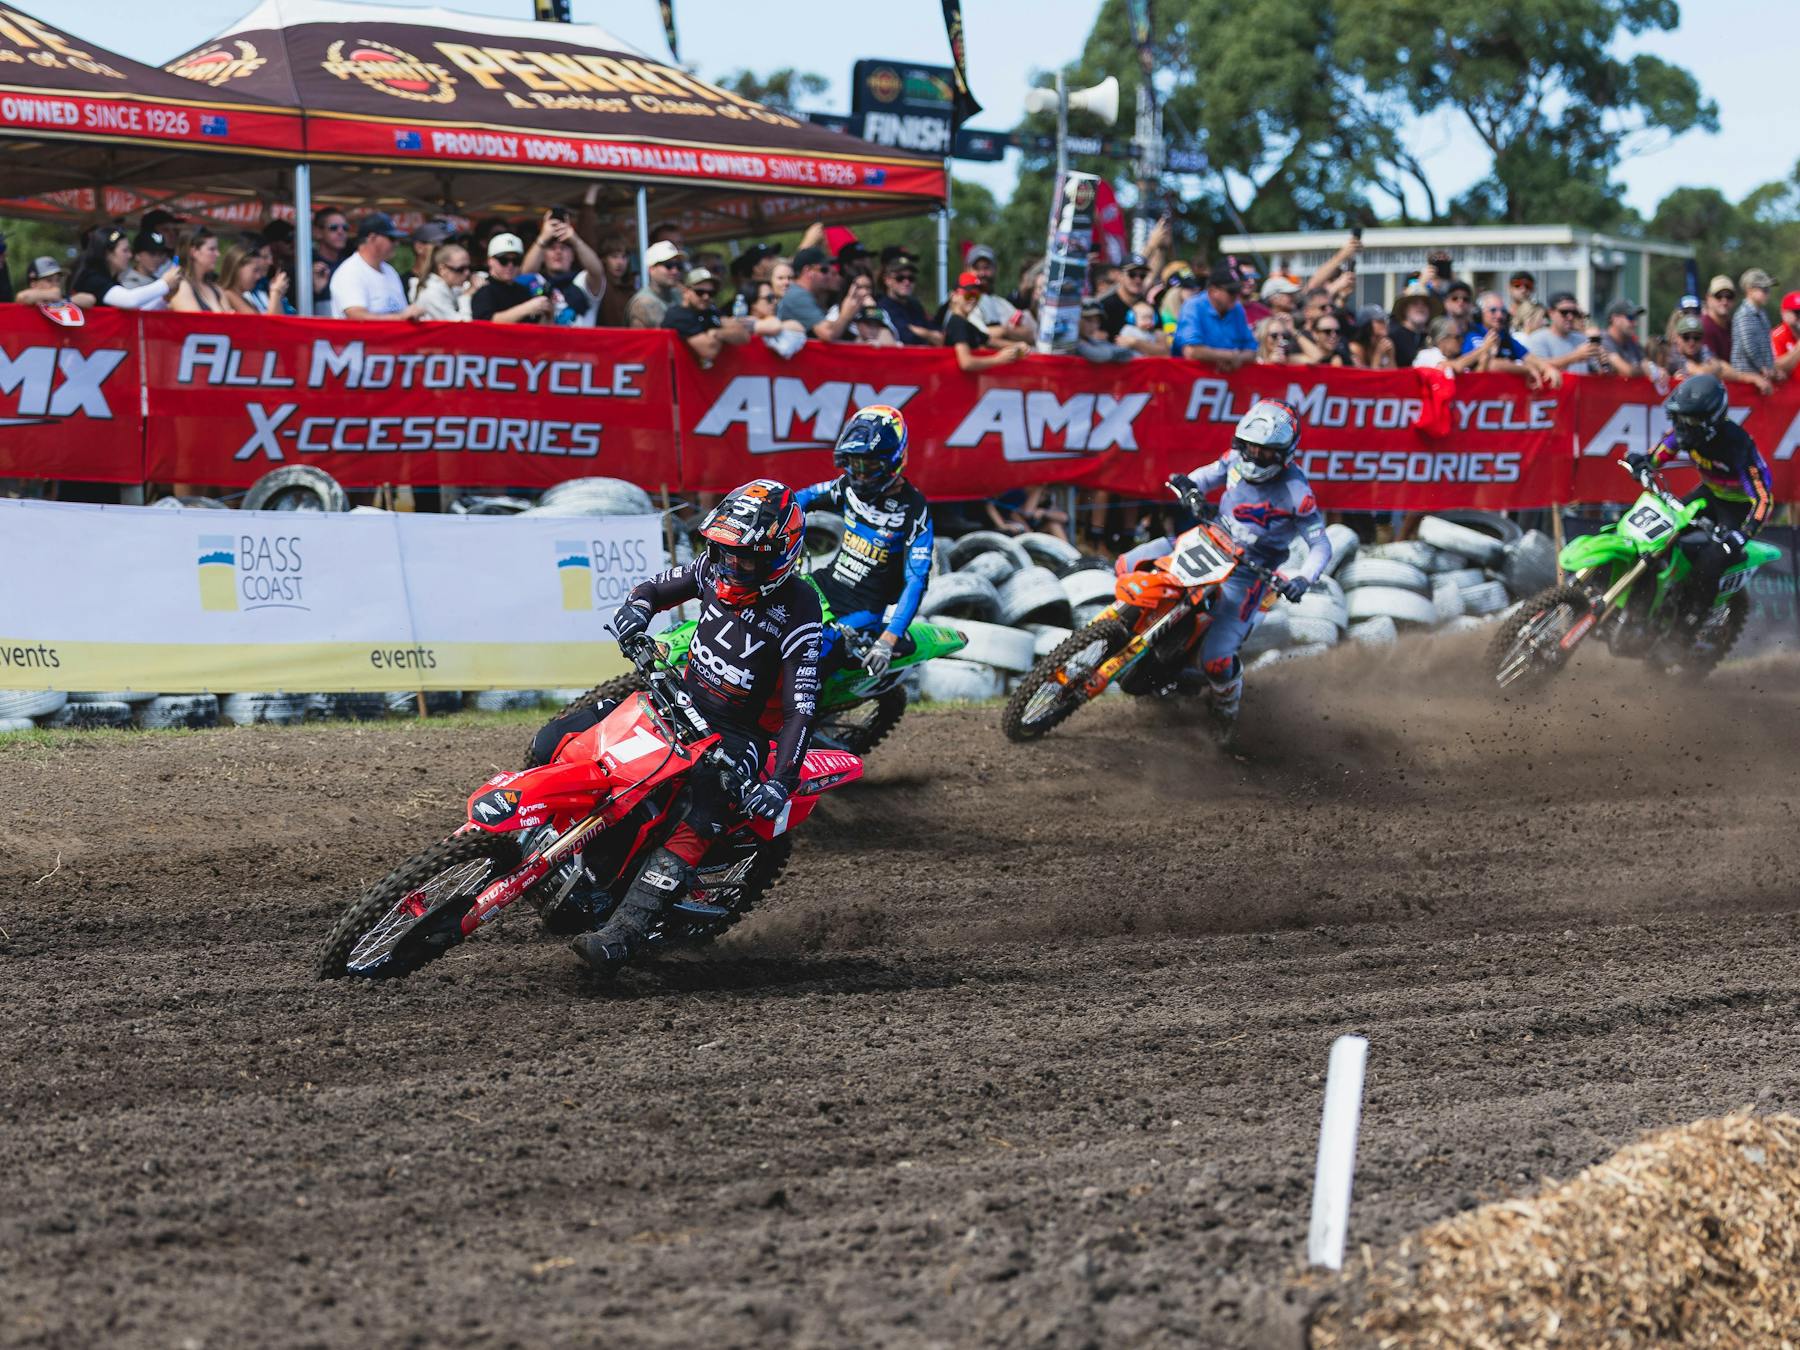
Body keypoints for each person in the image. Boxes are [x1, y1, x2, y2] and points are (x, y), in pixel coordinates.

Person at [540, 481, 821, 977]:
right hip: (677, 699)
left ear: (779, 556)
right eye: (723, 552)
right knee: (554, 738)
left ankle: (622, 935)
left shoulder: (800, 608)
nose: (730, 566)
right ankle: (547, 840)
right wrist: (636, 610)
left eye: (745, 560)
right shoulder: (713, 567)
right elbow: (654, 589)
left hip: (738, 734)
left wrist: (781, 783)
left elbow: (802, 707)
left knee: (705, 809)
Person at [1168, 399, 1331, 740]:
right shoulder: (1233, 459)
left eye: (1265, 452)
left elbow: (1320, 545)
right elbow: (1199, 478)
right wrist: (1189, 490)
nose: (1255, 456)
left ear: (1284, 453)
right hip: (1206, 543)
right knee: (1129, 564)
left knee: (1216, 660)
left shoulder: (1297, 493)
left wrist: (1303, 578)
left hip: (1249, 572)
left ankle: (1224, 714)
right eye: (1251, 447)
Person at [1623, 374, 1773, 661]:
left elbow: (1763, 498)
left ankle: (1685, 629)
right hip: (1708, 494)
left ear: (1709, 420)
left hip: (1738, 507)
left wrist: (1742, 534)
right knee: (1659, 533)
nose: (1681, 426)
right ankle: (1640, 611)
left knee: (1711, 561)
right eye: (1679, 418)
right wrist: (1641, 462)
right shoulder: (1685, 434)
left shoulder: (1737, 444)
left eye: (1688, 419)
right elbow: (1657, 455)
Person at [794, 406, 933, 682]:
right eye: (853, 464)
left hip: (862, 611)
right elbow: (801, 498)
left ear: (894, 461)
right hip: (825, 584)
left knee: (807, 662)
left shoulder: (914, 509)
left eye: (868, 466)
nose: (859, 475)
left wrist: (888, 639)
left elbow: (917, 580)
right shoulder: (846, 485)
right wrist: (782, 533)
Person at [329, 214, 423, 321]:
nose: (396, 244)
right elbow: (356, 316)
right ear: (372, 238)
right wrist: (400, 317)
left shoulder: (390, 271)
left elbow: (402, 310)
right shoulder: (350, 272)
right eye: (391, 238)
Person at [521, 210, 607, 326]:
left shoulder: (582, 280)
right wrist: (543, 238)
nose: (558, 252)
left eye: (563, 248)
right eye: (552, 248)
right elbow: (525, 273)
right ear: (543, 256)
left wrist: (575, 240)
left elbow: (597, 271)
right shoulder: (537, 281)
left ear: (573, 255)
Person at [69, 225, 177, 311]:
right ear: (108, 253)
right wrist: (165, 283)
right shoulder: (91, 278)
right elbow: (129, 300)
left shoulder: (111, 280)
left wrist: (163, 299)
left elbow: (137, 311)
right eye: (125, 251)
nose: (130, 255)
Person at [663, 266, 750, 366]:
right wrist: (727, 335)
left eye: (711, 293)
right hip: (679, 372)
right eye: (700, 292)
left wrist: (717, 333)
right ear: (686, 291)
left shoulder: (711, 310)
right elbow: (709, 351)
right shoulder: (678, 315)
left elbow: (744, 335)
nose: (706, 297)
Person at [1173, 263, 1257, 367]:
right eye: (1231, 292)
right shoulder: (1193, 306)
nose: (1236, 296)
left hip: (1225, 374)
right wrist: (1229, 356)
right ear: (1213, 291)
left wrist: (1236, 360)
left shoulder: (1237, 308)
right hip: (1189, 375)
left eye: (1238, 291)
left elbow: (1252, 350)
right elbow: (1191, 351)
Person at [1663, 313, 1771, 393]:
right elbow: (1701, 373)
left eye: (1696, 337)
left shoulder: (1702, 349)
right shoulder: (1673, 354)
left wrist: (1753, 378)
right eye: (1686, 337)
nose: (1691, 342)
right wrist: (1714, 369)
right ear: (1677, 338)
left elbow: (1722, 367)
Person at [780, 246, 868, 343]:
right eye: (824, 270)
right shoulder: (798, 296)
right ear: (808, 271)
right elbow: (828, 333)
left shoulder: (803, 294)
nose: (828, 275)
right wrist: (846, 314)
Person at [944, 270, 1026, 372]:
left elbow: (989, 341)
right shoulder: (958, 323)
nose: (973, 299)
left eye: (977, 295)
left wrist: (1017, 345)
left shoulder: (966, 324)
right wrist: (999, 359)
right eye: (968, 295)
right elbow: (966, 363)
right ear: (954, 296)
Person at [471, 232, 551, 324]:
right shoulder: (484, 289)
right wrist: (526, 308)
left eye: (516, 260)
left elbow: (536, 326)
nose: (510, 265)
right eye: (503, 260)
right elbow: (485, 323)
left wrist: (547, 312)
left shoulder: (523, 291)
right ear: (490, 261)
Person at [1524, 293, 1599, 369]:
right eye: (1564, 312)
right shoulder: (1537, 338)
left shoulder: (1581, 339)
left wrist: (1601, 361)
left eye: (1574, 312)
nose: (1570, 317)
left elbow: (1595, 370)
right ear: (1551, 313)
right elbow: (1537, 367)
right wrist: (1574, 357)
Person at [1730, 267, 1778, 382]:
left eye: (1768, 290)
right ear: (1749, 290)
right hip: (1745, 376)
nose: (1767, 293)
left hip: (1761, 375)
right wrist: (1763, 368)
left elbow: (1767, 345)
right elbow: (1749, 346)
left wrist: (1771, 368)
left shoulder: (1762, 313)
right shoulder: (1744, 314)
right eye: (1764, 290)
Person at [219, 235, 288, 315]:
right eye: (255, 270)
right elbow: (265, 322)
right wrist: (275, 292)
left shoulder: (245, 297)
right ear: (237, 269)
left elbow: (279, 320)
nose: (259, 276)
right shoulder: (228, 294)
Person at [876, 258, 938, 346]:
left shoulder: (916, 305)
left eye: (911, 278)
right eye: (900, 278)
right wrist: (928, 335)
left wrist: (921, 332)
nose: (907, 282)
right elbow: (905, 337)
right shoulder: (881, 307)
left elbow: (939, 335)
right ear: (887, 280)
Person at [168, 227, 229, 313]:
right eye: (212, 249)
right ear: (194, 252)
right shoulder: (180, 287)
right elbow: (194, 320)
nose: (218, 254)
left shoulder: (216, 289)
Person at [627, 239, 684, 328]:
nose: (675, 271)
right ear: (651, 269)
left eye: (678, 265)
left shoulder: (678, 294)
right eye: (668, 265)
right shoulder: (642, 303)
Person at [1098, 254, 1152, 339]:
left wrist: (1136, 343)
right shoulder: (1105, 306)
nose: (1138, 280)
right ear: (1120, 276)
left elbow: (1163, 344)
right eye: (1132, 274)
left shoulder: (1148, 306)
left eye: (1142, 276)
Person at [415, 243, 473, 321]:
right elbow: (462, 325)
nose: (467, 273)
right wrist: (466, 296)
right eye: (460, 269)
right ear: (442, 269)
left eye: (469, 267)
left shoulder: (449, 287)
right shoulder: (432, 293)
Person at [1387, 283, 1439, 368]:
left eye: (1425, 304)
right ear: (1405, 309)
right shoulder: (1393, 336)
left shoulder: (1431, 337)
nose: (1420, 307)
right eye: (1415, 303)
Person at [1597, 299, 1646, 377]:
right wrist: (1647, 370)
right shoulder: (1603, 340)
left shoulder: (1631, 342)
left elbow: (1645, 364)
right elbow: (1627, 371)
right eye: (1631, 317)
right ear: (1614, 319)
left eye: (1636, 318)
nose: (1635, 323)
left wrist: (1655, 369)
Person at [1701, 275, 1735, 357]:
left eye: (1729, 296)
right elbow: (1711, 361)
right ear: (1708, 298)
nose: (1724, 301)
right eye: (1718, 296)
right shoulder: (1704, 327)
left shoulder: (1733, 326)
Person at [1772, 290, 1800, 381]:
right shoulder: (1777, 336)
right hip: (1790, 388)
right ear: (1783, 313)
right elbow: (1776, 367)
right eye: (1797, 312)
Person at [312, 208, 350, 274]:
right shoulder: (307, 264)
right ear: (318, 232)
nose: (341, 232)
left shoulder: (350, 263)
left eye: (345, 227)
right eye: (333, 227)